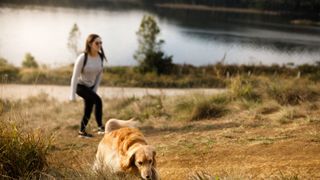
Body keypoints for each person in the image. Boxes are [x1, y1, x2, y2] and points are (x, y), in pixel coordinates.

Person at [70, 34, 107, 138]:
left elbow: (100, 74)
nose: (99, 45)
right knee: (98, 101)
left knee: (88, 109)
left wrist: (94, 89)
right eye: (97, 43)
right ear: (90, 44)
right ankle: (101, 127)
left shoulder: (100, 57)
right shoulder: (83, 57)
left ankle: (81, 132)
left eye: (101, 43)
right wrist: (72, 96)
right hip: (80, 86)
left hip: (90, 87)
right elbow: (74, 77)